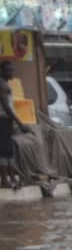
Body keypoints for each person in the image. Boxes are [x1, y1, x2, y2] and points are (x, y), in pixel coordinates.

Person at [0, 61, 29, 189]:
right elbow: (7, 108)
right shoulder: (2, 85)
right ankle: (5, 180)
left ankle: (11, 179)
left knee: (8, 151)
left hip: (6, 120)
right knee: (4, 151)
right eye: (8, 70)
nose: (11, 73)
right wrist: (20, 123)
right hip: (3, 120)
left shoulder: (5, 84)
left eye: (11, 70)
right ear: (2, 71)